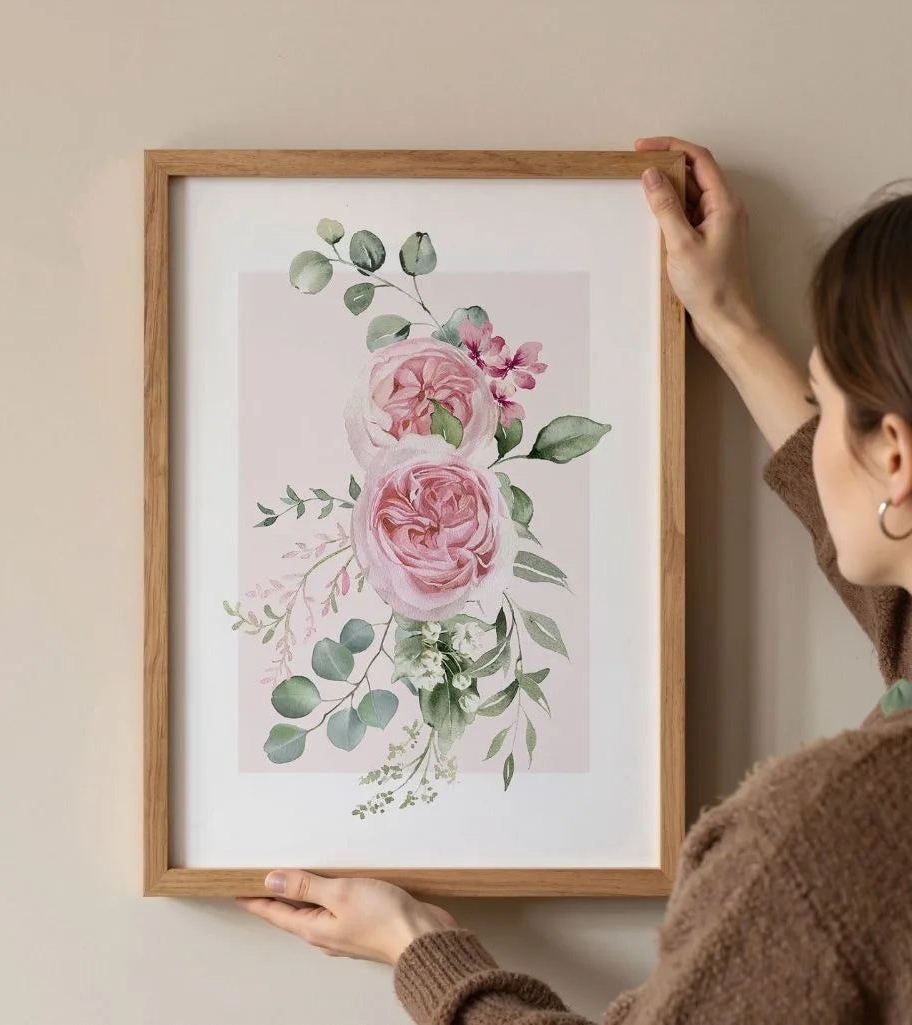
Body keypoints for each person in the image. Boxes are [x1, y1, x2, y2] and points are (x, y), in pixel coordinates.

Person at [237, 136, 912, 1023]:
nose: (813, 437)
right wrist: (724, 320)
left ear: (892, 454)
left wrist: (419, 949)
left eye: (824, 408)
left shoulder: (829, 833)